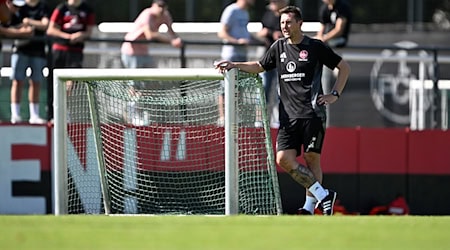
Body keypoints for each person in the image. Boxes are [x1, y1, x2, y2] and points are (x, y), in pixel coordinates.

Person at [215, 6, 351, 215]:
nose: (284, 27)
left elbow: (344, 68)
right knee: (283, 159)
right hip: (287, 117)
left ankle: (307, 208)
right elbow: (259, 66)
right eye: (281, 23)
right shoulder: (278, 47)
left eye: (288, 22)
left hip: (312, 113)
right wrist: (234, 65)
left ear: (300, 23)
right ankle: (324, 195)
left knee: (311, 159)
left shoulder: (315, 46)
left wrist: (335, 94)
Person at [120, 0, 183, 126]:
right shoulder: (147, 14)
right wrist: (171, 42)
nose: (160, 9)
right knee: (134, 84)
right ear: (153, 5)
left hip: (144, 52)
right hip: (131, 52)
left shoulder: (165, 15)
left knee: (153, 82)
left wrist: (177, 39)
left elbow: (171, 31)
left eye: (163, 6)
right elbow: (150, 35)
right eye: (158, 6)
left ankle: (143, 110)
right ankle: (132, 112)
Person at [46, 0, 95, 121]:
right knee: (55, 83)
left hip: (76, 52)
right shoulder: (61, 8)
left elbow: (89, 31)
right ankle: (53, 113)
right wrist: (68, 36)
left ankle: (63, 109)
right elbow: (51, 29)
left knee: (71, 83)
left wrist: (80, 35)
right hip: (59, 50)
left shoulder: (88, 10)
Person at [9, 0, 50, 124]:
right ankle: (15, 114)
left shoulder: (43, 7)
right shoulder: (19, 6)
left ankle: (34, 115)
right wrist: (22, 30)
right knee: (17, 81)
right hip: (20, 50)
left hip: (38, 50)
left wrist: (29, 22)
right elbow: (10, 25)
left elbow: (45, 25)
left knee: (36, 82)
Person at [216, 0, 255, 126]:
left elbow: (244, 34)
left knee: (240, 87)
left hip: (242, 55)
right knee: (224, 87)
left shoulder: (245, 12)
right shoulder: (231, 10)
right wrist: (237, 41)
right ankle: (223, 118)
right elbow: (222, 32)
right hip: (230, 55)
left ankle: (234, 116)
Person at [257, 0, 289, 128]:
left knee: (279, 92)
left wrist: (281, 35)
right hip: (268, 59)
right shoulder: (268, 14)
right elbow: (261, 32)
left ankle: (277, 120)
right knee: (264, 89)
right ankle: (260, 120)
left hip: (283, 59)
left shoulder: (288, 15)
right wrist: (268, 33)